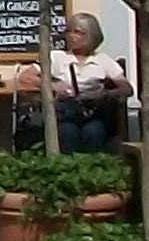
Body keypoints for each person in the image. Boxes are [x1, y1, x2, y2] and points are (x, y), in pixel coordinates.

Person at [44, 11, 132, 152]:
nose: (71, 36)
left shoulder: (103, 60)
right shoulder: (57, 57)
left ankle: (93, 165)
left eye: (77, 32)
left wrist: (104, 94)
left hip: (93, 112)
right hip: (66, 112)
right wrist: (53, 86)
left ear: (92, 35)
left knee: (93, 132)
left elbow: (127, 88)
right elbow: (27, 77)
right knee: (67, 132)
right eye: (68, 31)